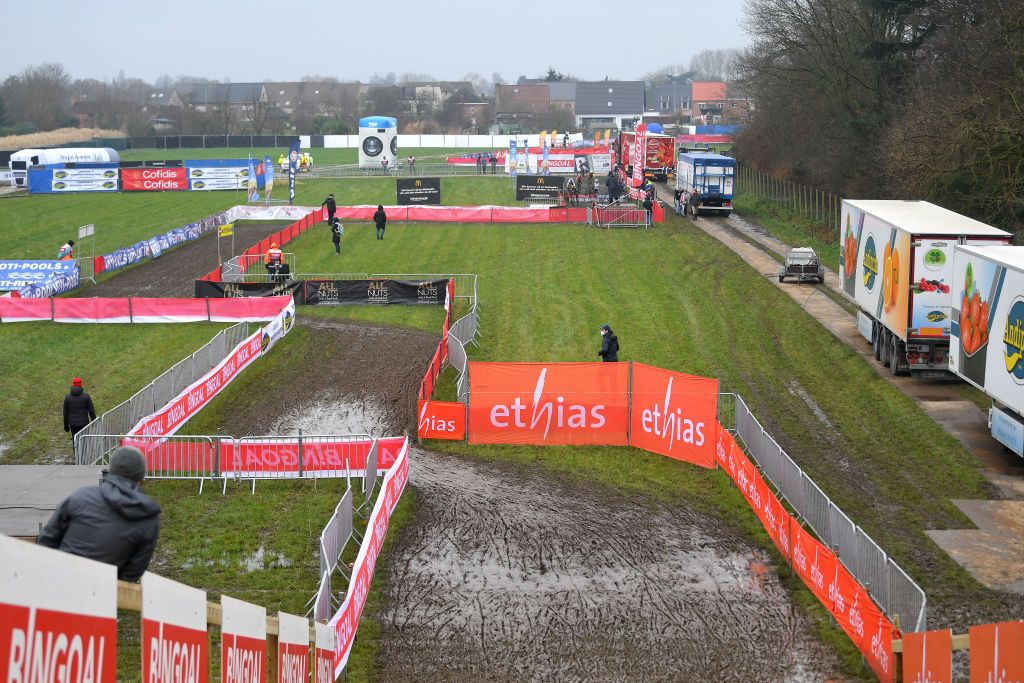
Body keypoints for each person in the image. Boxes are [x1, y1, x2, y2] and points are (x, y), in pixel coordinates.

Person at [38, 446, 161, 583]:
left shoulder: (81, 496)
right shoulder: (149, 517)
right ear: (141, 479)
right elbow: (133, 571)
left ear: (111, 472)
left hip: (60, 583)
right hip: (102, 593)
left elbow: (47, 540)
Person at [63, 377, 96, 448]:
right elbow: (91, 410)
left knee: (75, 441)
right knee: (84, 441)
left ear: (73, 385)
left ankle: (77, 457)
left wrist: (66, 425)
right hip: (84, 423)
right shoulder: (86, 396)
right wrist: (94, 420)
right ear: (81, 385)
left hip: (73, 424)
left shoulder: (67, 397)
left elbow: (65, 413)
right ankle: (83, 457)